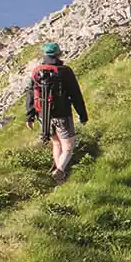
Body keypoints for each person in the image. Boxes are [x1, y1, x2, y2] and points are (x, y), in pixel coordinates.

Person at [25, 43, 88, 182]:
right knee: (68, 148)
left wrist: (29, 116)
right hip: (62, 114)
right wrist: (82, 115)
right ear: (59, 54)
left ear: (45, 55)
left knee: (56, 143)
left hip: (43, 115)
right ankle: (59, 171)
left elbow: (30, 94)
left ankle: (59, 174)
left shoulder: (37, 71)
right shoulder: (65, 71)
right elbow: (75, 95)